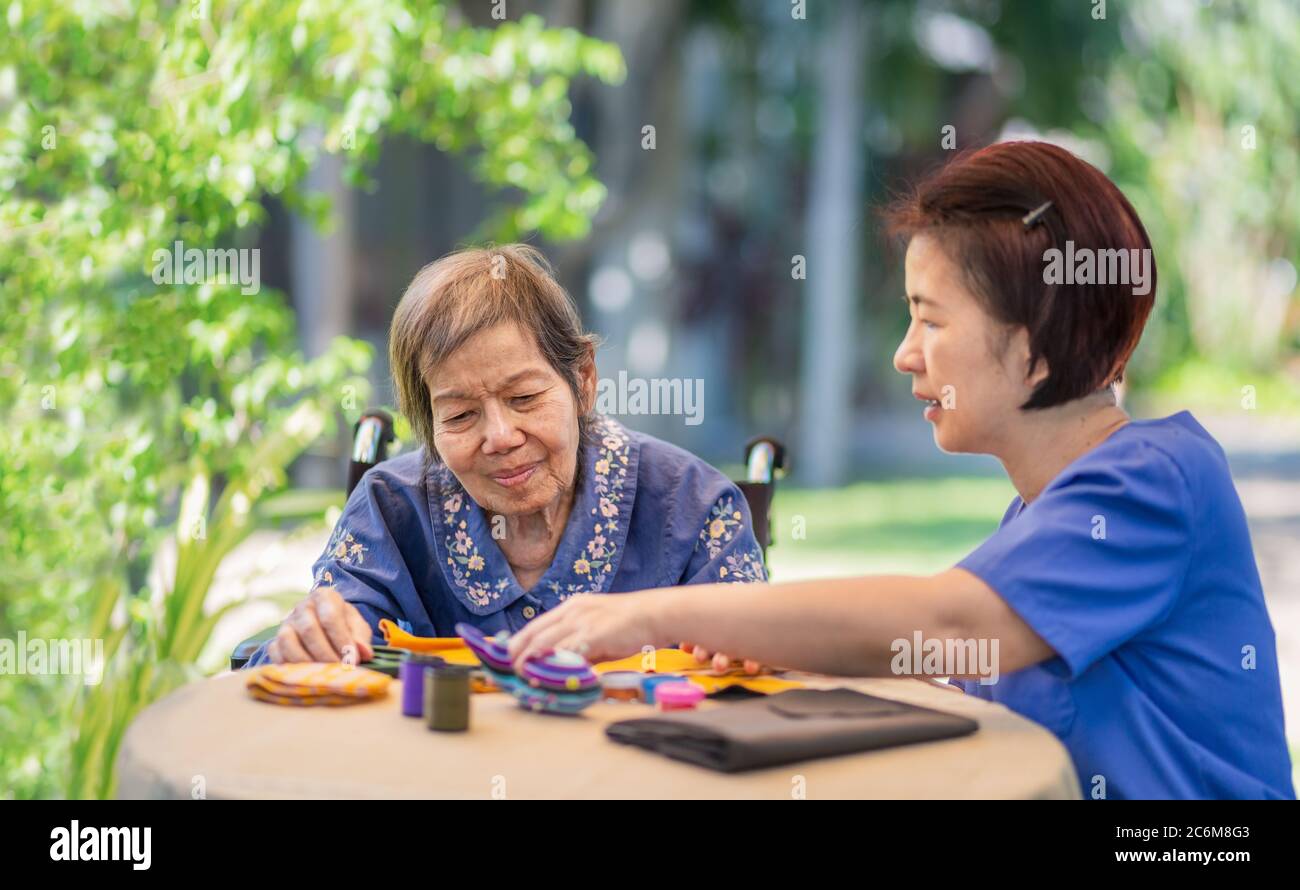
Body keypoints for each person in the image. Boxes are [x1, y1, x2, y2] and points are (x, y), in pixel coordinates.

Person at [507, 142, 1295, 800]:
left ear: (1035, 344)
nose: (904, 353)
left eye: (930, 317)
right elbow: (952, 667)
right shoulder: (1047, 514)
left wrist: (657, 616)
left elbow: (950, 625)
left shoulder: (1156, 482)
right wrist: (781, 644)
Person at [248, 245, 766, 667]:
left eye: (524, 399)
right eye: (460, 416)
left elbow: (757, 657)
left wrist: (739, 647)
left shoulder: (693, 505)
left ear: (583, 380)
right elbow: (306, 657)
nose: (500, 436)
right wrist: (311, 638)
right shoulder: (391, 510)